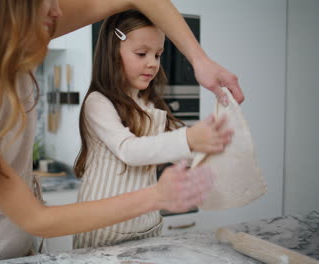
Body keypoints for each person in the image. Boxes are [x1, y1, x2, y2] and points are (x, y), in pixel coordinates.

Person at [0, 1, 239, 263]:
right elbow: (36, 218)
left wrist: (200, 60)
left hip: (24, 248)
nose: (58, 9)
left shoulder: (17, 43)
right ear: (4, 8)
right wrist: (158, 196)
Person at [72, 10, 234, 249]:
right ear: (112, 52)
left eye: (157, 55)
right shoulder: (98, 102)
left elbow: (165, 149)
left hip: (145, 224)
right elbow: (130, 150)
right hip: (102, 227)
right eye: (141, 53)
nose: (152, 63)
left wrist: (209, 146)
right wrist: (189, 139)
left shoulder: (150, 104)